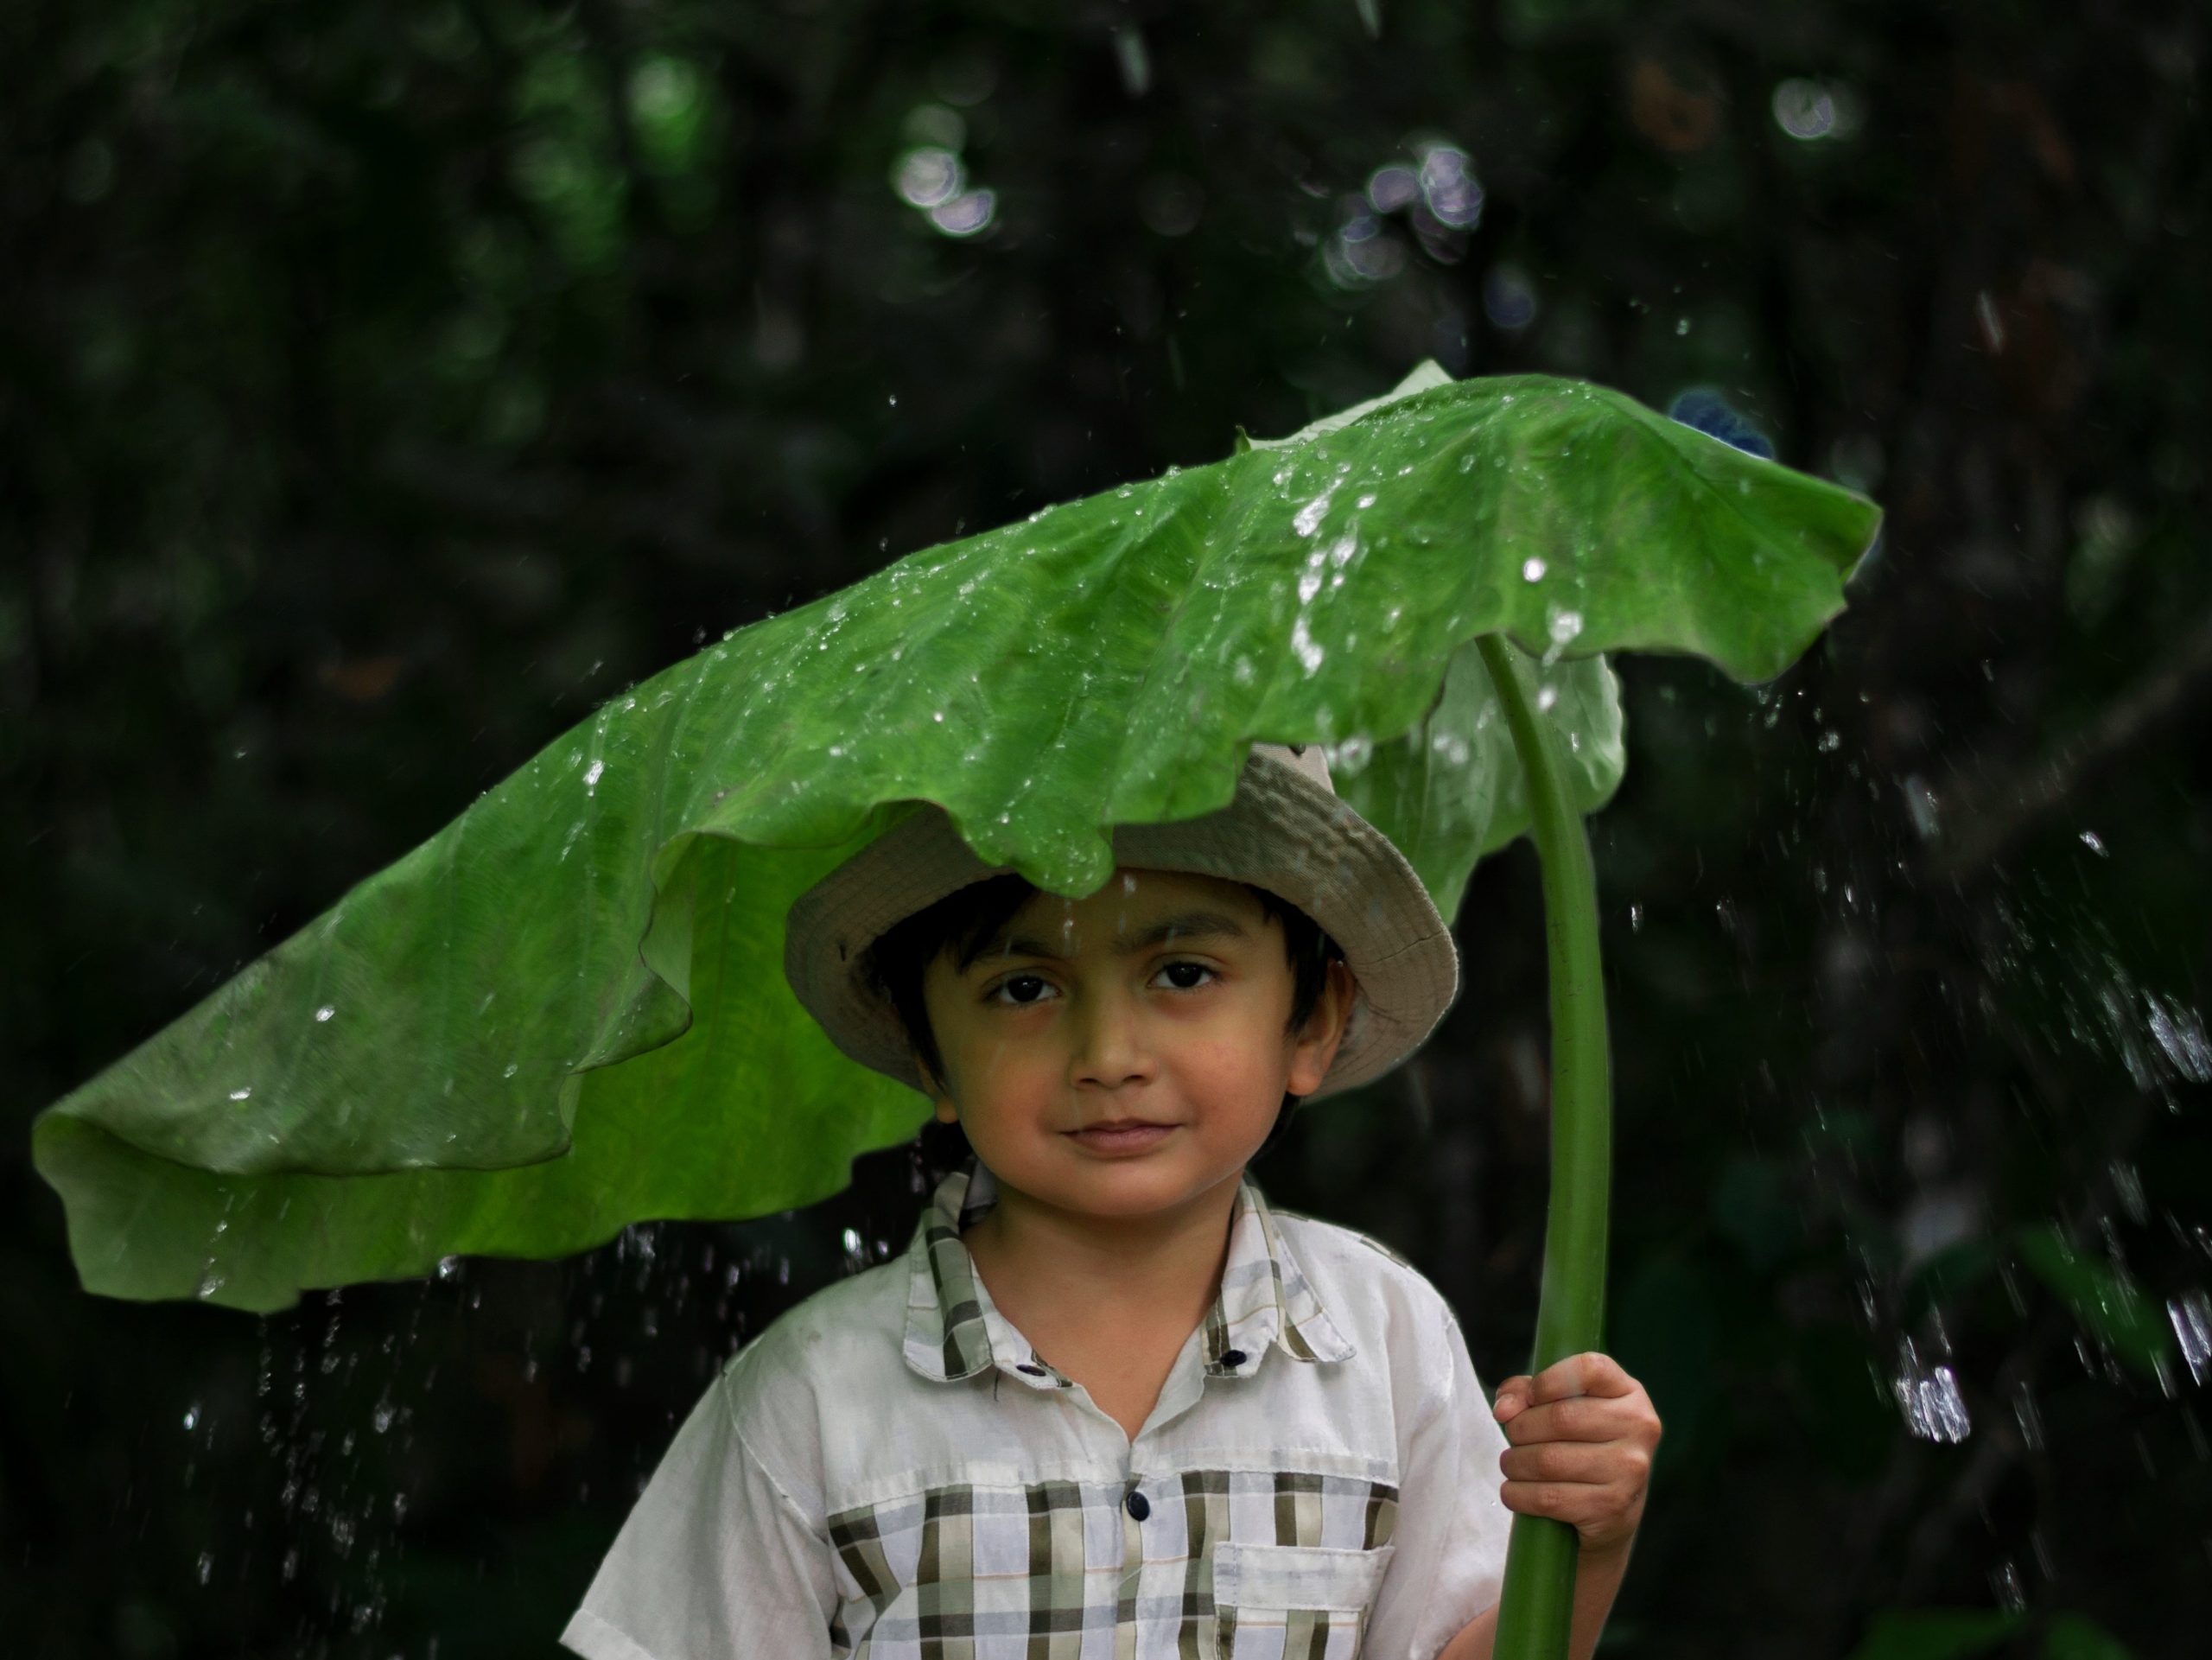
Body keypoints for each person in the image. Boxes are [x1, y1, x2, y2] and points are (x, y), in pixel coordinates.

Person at [559, 742, 1661, 1659]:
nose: (1107, 1053)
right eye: (1023, 988)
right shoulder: (811, 1396)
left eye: (1181, 973)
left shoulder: (1384, 1339)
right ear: (928, 1054)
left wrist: (1587, 1539)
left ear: (1313, 1021)